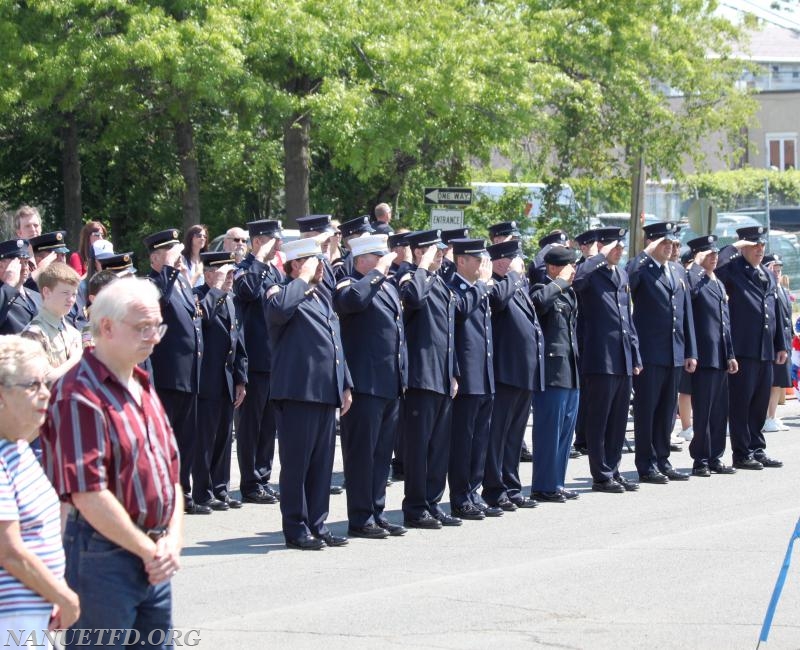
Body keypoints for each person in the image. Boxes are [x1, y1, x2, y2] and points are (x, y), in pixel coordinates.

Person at [40, 277, 182, 648]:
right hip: (104, 558)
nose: (154, 336)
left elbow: (172, 476)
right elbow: (88, 495)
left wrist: (171, 541)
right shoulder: (78, 393)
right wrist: (151, 550)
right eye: (143, 327)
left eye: (157, 327)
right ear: (106, 327)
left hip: (152, 556)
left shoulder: (141, 382)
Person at [266, 238, 353, 550]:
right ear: (295, 265)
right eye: (314, 261)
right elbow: (277, 311)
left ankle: (317, 523)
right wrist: (302, 277)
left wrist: (344, 383)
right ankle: (296, 528)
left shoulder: (320, 297)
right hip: (297, 393)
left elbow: (335, 341)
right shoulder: (282, 292)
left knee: (321, 465)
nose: (321, 266)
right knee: (297, 465)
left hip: (325, 391)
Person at [0, 336, 80, 647]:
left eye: (45, 382)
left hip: (33, 617)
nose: (46, 393)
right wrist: (64, 595)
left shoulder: (19, 447)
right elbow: (9, 552)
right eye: (33, 385)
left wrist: (53, 590)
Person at [334, 234, 407, 538]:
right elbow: (353, 302)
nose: (384, 263)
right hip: (364, 385)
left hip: (389, 383)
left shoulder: (388, 286)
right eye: (378, 258)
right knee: (362, 454)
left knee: (381, 454)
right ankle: (361, 516)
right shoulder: (348, 284)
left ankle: (376, 510)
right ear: (362, 260)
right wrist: (377, 274)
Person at [399, 229, 461, 529]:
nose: (440, 255)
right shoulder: (411, 277)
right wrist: (421, 266)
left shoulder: (440, 282)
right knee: (419, 447)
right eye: (433, 250)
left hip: (441, 375)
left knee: (438, 447)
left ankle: (433, 503)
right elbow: (412, 299)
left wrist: (454, 372)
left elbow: (449, 334)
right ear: (419, 252)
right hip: (420, 376)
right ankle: (415, 506)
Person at [573, 228, 642, 493]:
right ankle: (601, 474)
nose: (619, 252)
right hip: (599, 357)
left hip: (622, 356)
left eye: (621, 247)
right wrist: (597, 257)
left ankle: (613, 468)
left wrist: (635, 353)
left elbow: (628, 318)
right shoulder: (591, 272)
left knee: (618, 419)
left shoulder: (621, 273)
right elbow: (577, 281)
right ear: (602, 248)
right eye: (614, 247)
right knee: (599, 420)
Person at [627, 221, 697, 484]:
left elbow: (686, 311)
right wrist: (645, 253)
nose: (670, 248)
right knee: (647, 409)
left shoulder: (677, 270)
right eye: (664, 243)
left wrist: (690, 350)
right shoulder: (641, 269)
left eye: (672, 243)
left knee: (668, 410)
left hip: (675, 352)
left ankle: (663, 458)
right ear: (652, 243)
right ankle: (646, 463)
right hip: (650, 351)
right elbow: (628, 279)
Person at [144, 229, 205, 513]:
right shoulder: (153, 282)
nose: (177, 256)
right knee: (165, 441)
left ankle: (184, 493)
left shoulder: (181, 281)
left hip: (190, 373)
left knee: (187, 440)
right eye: (170, 252)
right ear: (156, 257)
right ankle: (165, 495)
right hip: (168, 375)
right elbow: (160, 305)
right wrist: (169, 270)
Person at [716, 227, 787, 469]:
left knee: (759, 402)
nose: (759, 250)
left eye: (762, 246)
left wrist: (780, 344)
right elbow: (718, 266)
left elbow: (775, 311)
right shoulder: (733, 271)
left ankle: (757, 448)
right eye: (753, 245)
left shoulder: (766, 273)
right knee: (741, 403)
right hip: (743, 349)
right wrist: (733, 247)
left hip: (765, 349)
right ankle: (742, 452)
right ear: (743, 246)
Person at [483, 240, 543, 512]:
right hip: (504, 371)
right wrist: (514, 276)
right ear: (500, 262)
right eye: (514, 258)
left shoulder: (517, 285)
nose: (520, 262)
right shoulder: (495, 285)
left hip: (523, 371)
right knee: (498, 434)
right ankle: (495, 489)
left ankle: (511, 485)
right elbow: (496, 302)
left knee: (515, 435)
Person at [446, 238, 500, 520]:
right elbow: (460, 313)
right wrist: (481, 286)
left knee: (480, 441)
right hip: (466, 378)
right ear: (462, 261)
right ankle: (459, 497)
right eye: (478, 260)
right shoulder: (454, 288)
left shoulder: (479, 290)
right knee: (463, 442)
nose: (483, 265)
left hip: (484, 375)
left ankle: (473, 492)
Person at [233, 220, 284, 505]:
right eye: (270, 240)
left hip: (274, 357)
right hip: (253, 359)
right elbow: (248, 292)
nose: (277, 245)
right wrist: (259, 259)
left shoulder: (274, 269)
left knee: (268, 426)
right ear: (257, 242)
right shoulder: (244, 269)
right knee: (251, 426)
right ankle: (250, 482)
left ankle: (263, 477)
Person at [193, 252, 247, 511]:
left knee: (224, 437)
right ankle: (202, 492)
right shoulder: (199, 297)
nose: (230, 278)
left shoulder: (231, 299)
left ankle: (221, 487)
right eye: (225, 273)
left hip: (226, 379)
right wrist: (215, 288)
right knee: (206, 438)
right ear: (208, 275)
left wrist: (241, 378)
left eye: (232, 273)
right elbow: (204, 320)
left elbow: (238, 341)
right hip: (206, 380)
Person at [529, 245, 581, 503]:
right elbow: (538, 303)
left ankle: (557, 482)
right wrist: (559, 283)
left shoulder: (568, 292)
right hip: (551, 370)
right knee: (549, 430)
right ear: (553, 268)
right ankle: (543, 484)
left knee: (564, 432)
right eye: (568, 266)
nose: (573, 271)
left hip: (570, 370)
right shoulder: (543, 288)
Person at [684, 235, 738, 476]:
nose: (714, 258)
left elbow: (725, 323)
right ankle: (701, 458)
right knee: (703, 411)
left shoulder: (716, 283)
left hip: (720, 356)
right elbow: (690, 294)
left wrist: (731, 354)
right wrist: (696, 265)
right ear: (698, 255)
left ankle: (716, 455)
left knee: (719, 410)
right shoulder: (693, 278)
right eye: (709, 254)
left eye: (715, 254)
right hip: (703, 356)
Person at [21, 262, 83, 382]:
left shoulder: (73, 332)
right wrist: (75, 359)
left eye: (74, 294)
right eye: (65, 293)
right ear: (46, 292)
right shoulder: (34, 334)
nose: (71, 299)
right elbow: (44, 380)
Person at [762, 254, 792, 433]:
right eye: (774, 269)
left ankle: (772, 416)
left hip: (784, 340)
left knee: (779, 382)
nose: (777, 272)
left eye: (779, 270)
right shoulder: (769, 289)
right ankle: (767, 417)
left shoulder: (781, 289)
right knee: (773, 382)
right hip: (774, 343)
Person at [0, 239, 41, 335]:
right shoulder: (4, 294)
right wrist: (9, 284)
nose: (25, 268)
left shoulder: (36, 296)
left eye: (26, 262)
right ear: (1, 266)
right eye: (18, 263)